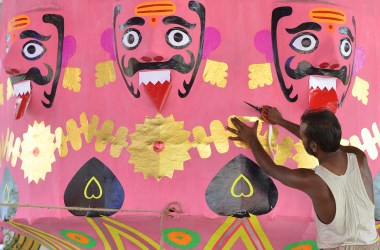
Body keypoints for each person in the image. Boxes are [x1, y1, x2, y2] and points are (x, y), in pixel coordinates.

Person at [227, 106, 379, 249]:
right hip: (372, 245)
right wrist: (281, 121)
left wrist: (251, 138)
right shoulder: (358, 157)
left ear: (313, 146)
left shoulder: (314, 180)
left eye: (303, 135)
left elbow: (271, 169)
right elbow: (323, 141)